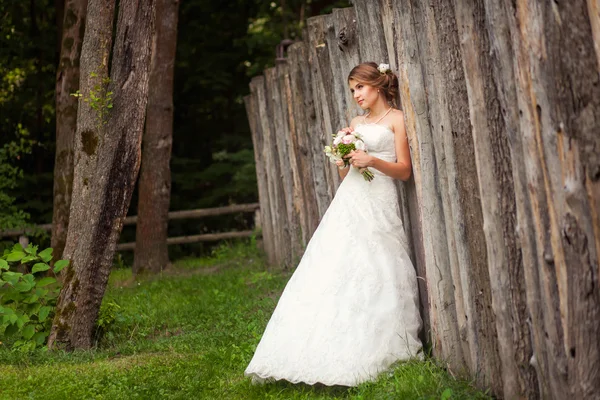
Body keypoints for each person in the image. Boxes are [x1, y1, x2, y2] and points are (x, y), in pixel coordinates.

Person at [244, 62, 422, 387]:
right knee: (335, 263)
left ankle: (383, 344)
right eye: (352, 89)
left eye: (360, 87)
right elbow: (347, 175)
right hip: (350, 200)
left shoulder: (396, 119)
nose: (356, 94)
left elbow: (404, 171)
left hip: (381, 199)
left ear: (378, 85)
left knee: (378, 264)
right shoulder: (355, 123)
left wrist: (373, 161)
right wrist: (343, 159)